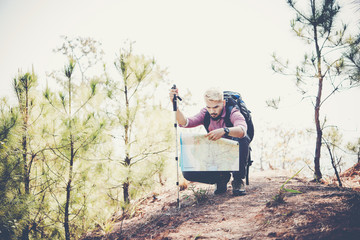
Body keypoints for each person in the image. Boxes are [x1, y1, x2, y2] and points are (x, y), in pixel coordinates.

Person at [169, 86, 250, 196]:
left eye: (216, 107)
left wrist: (224, 131)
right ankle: (221, 178)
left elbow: (242, 130)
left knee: (243, 139)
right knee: (188, 173)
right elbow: (185, 122)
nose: (212, 111)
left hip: (233, 154)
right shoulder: (205, 114)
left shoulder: (233, 112)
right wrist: (176, 106)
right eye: (209, 107)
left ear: (223, 103)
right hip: (215, 156)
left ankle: (238, 180)